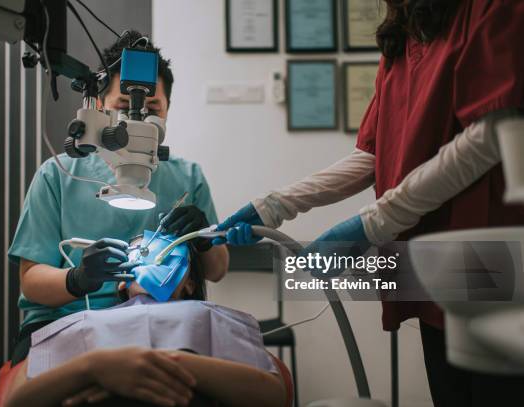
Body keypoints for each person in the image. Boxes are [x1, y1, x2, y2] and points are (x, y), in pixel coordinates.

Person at [215, 1, 524, 406]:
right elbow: (374, 155)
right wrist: (277, 204)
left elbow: (490, 135)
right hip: (433, 270)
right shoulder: (402, 37)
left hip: (491, 264)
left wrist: (376, 223)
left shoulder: (491, 9)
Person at [7, 30, 229, 368]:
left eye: (153, 108)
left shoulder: (187, 178)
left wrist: (204, 240)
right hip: (66, 320)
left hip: (158, 322)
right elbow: (32, 281)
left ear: (168, 110)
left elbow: (217, 271)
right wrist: (77, 279)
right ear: (99, 108)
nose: (139, 120)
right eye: (124, 107)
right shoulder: (58, 175)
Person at [2, 235, 288, 407]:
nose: (152, 259)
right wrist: (94, 367)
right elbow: (15, 401)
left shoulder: (208, 315)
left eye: (167, 253)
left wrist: (170, 362)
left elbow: (274, 396)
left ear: (189, 283)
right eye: (140, 253)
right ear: (120, 282)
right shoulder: (84, 320)